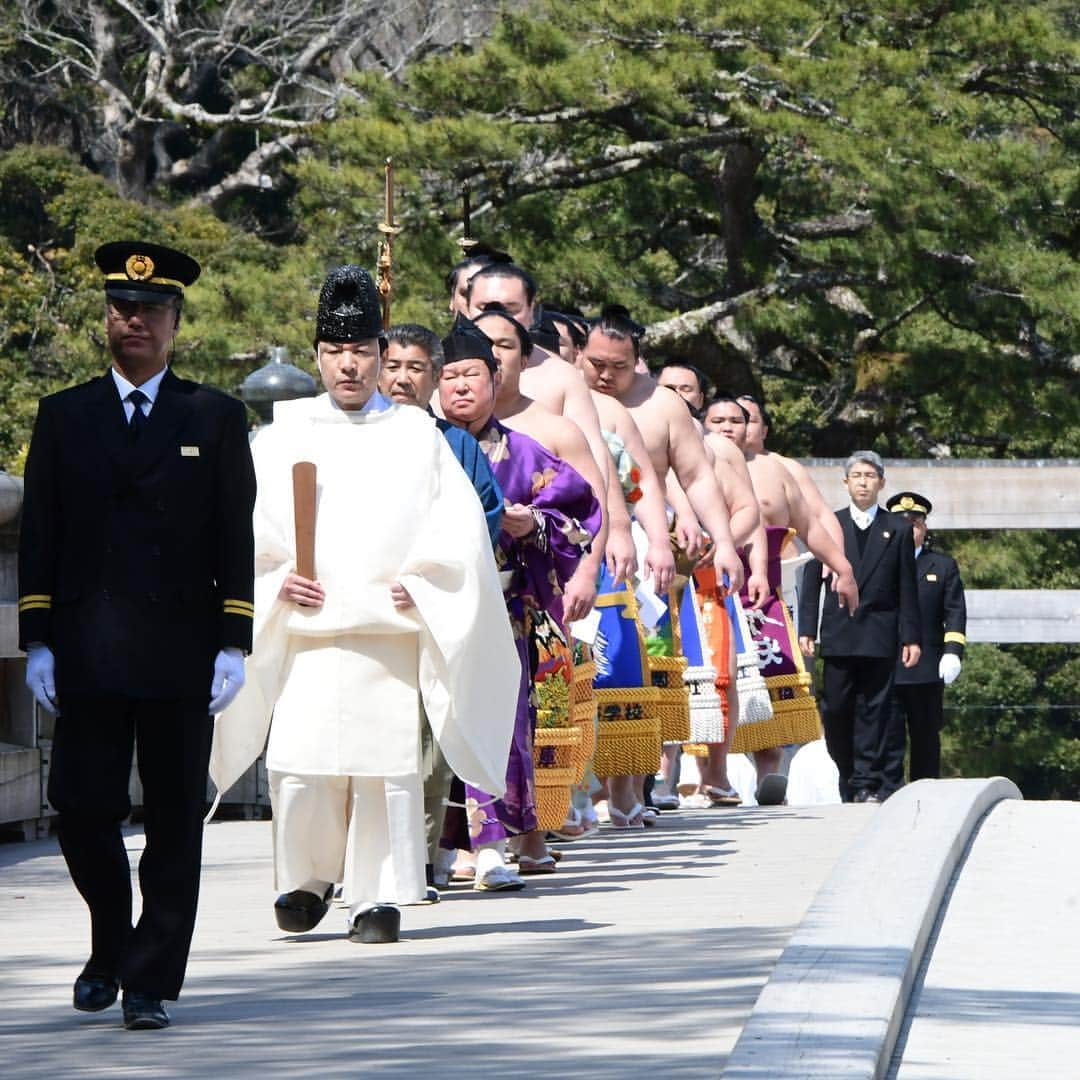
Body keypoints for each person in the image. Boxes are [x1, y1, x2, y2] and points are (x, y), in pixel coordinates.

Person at [209, 266, 519, 941]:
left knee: (384, 768)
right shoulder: (283, 434)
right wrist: (274, 579)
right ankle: (307, 878)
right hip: (309, 628)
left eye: (361, 352)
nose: (348, 365)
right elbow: (246, 531)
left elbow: (460, 532)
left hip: (387, 630)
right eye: (334, 353)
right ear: (317, 355)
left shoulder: (416, 437)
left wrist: (430, 581)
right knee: (302, 762)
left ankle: (377, 893)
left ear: (381, 356)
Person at [18, 240, 256, 1030]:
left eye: (151, 312)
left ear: (177, 324)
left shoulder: (214, 417)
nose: (136, 323)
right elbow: (41, 533)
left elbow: (234, 535)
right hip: (88, 649)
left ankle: (150, 977)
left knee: (175, 819)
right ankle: (111, 940)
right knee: (80, 807)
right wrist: (38, 637)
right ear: (106, 320)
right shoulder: (63, 415)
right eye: (123, 309)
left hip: (182, 651)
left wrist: (234, 641)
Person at [438, 313, 602, 881]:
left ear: (496, 378)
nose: (461, 386)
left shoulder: (528, 451)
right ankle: (461, 842)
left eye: (473, 374)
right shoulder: (423, 447)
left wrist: (531, 523)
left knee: (510, 724)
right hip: (438, 608)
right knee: (447, 720)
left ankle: (513, 838)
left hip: (509, 609)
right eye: (450, 376)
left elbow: (581, 515)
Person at [377, 322, 504, 888]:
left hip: (428, 615)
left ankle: (420, 862)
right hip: (359, 620)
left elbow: (483, 524)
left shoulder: (454, 446)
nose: (402, 379)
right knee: (361, 745)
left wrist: (429, 581)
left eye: (416, 368)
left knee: (426, 751)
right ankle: (357, 865)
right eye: (393, 366)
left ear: (433, 376)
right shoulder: (345, 436)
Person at [798, 451, 921, 803]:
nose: (863, 482)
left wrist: (911, 636)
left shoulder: (897, 528)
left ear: (881, 482)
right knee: (836, 709)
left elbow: (906, 585)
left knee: (875, 709)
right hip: (839, 631)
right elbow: (812, 578)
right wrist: (808, 627)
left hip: (880, 631)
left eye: (870, 475)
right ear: (846, 482)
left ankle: (865, 782)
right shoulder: (830, 525)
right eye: (857, 475)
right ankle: (847, 773)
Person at [882, 491, 967, 785]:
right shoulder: (878, 565)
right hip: (885, 664)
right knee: (887, 737)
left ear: (924, 527)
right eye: (902, 523)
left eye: (915, 523)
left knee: (926, 736)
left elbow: (955, 611)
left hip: (927, 667)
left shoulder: (942, 566)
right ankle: (886, 793)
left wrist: (952, 651)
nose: (910, 529)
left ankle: (926, 791)